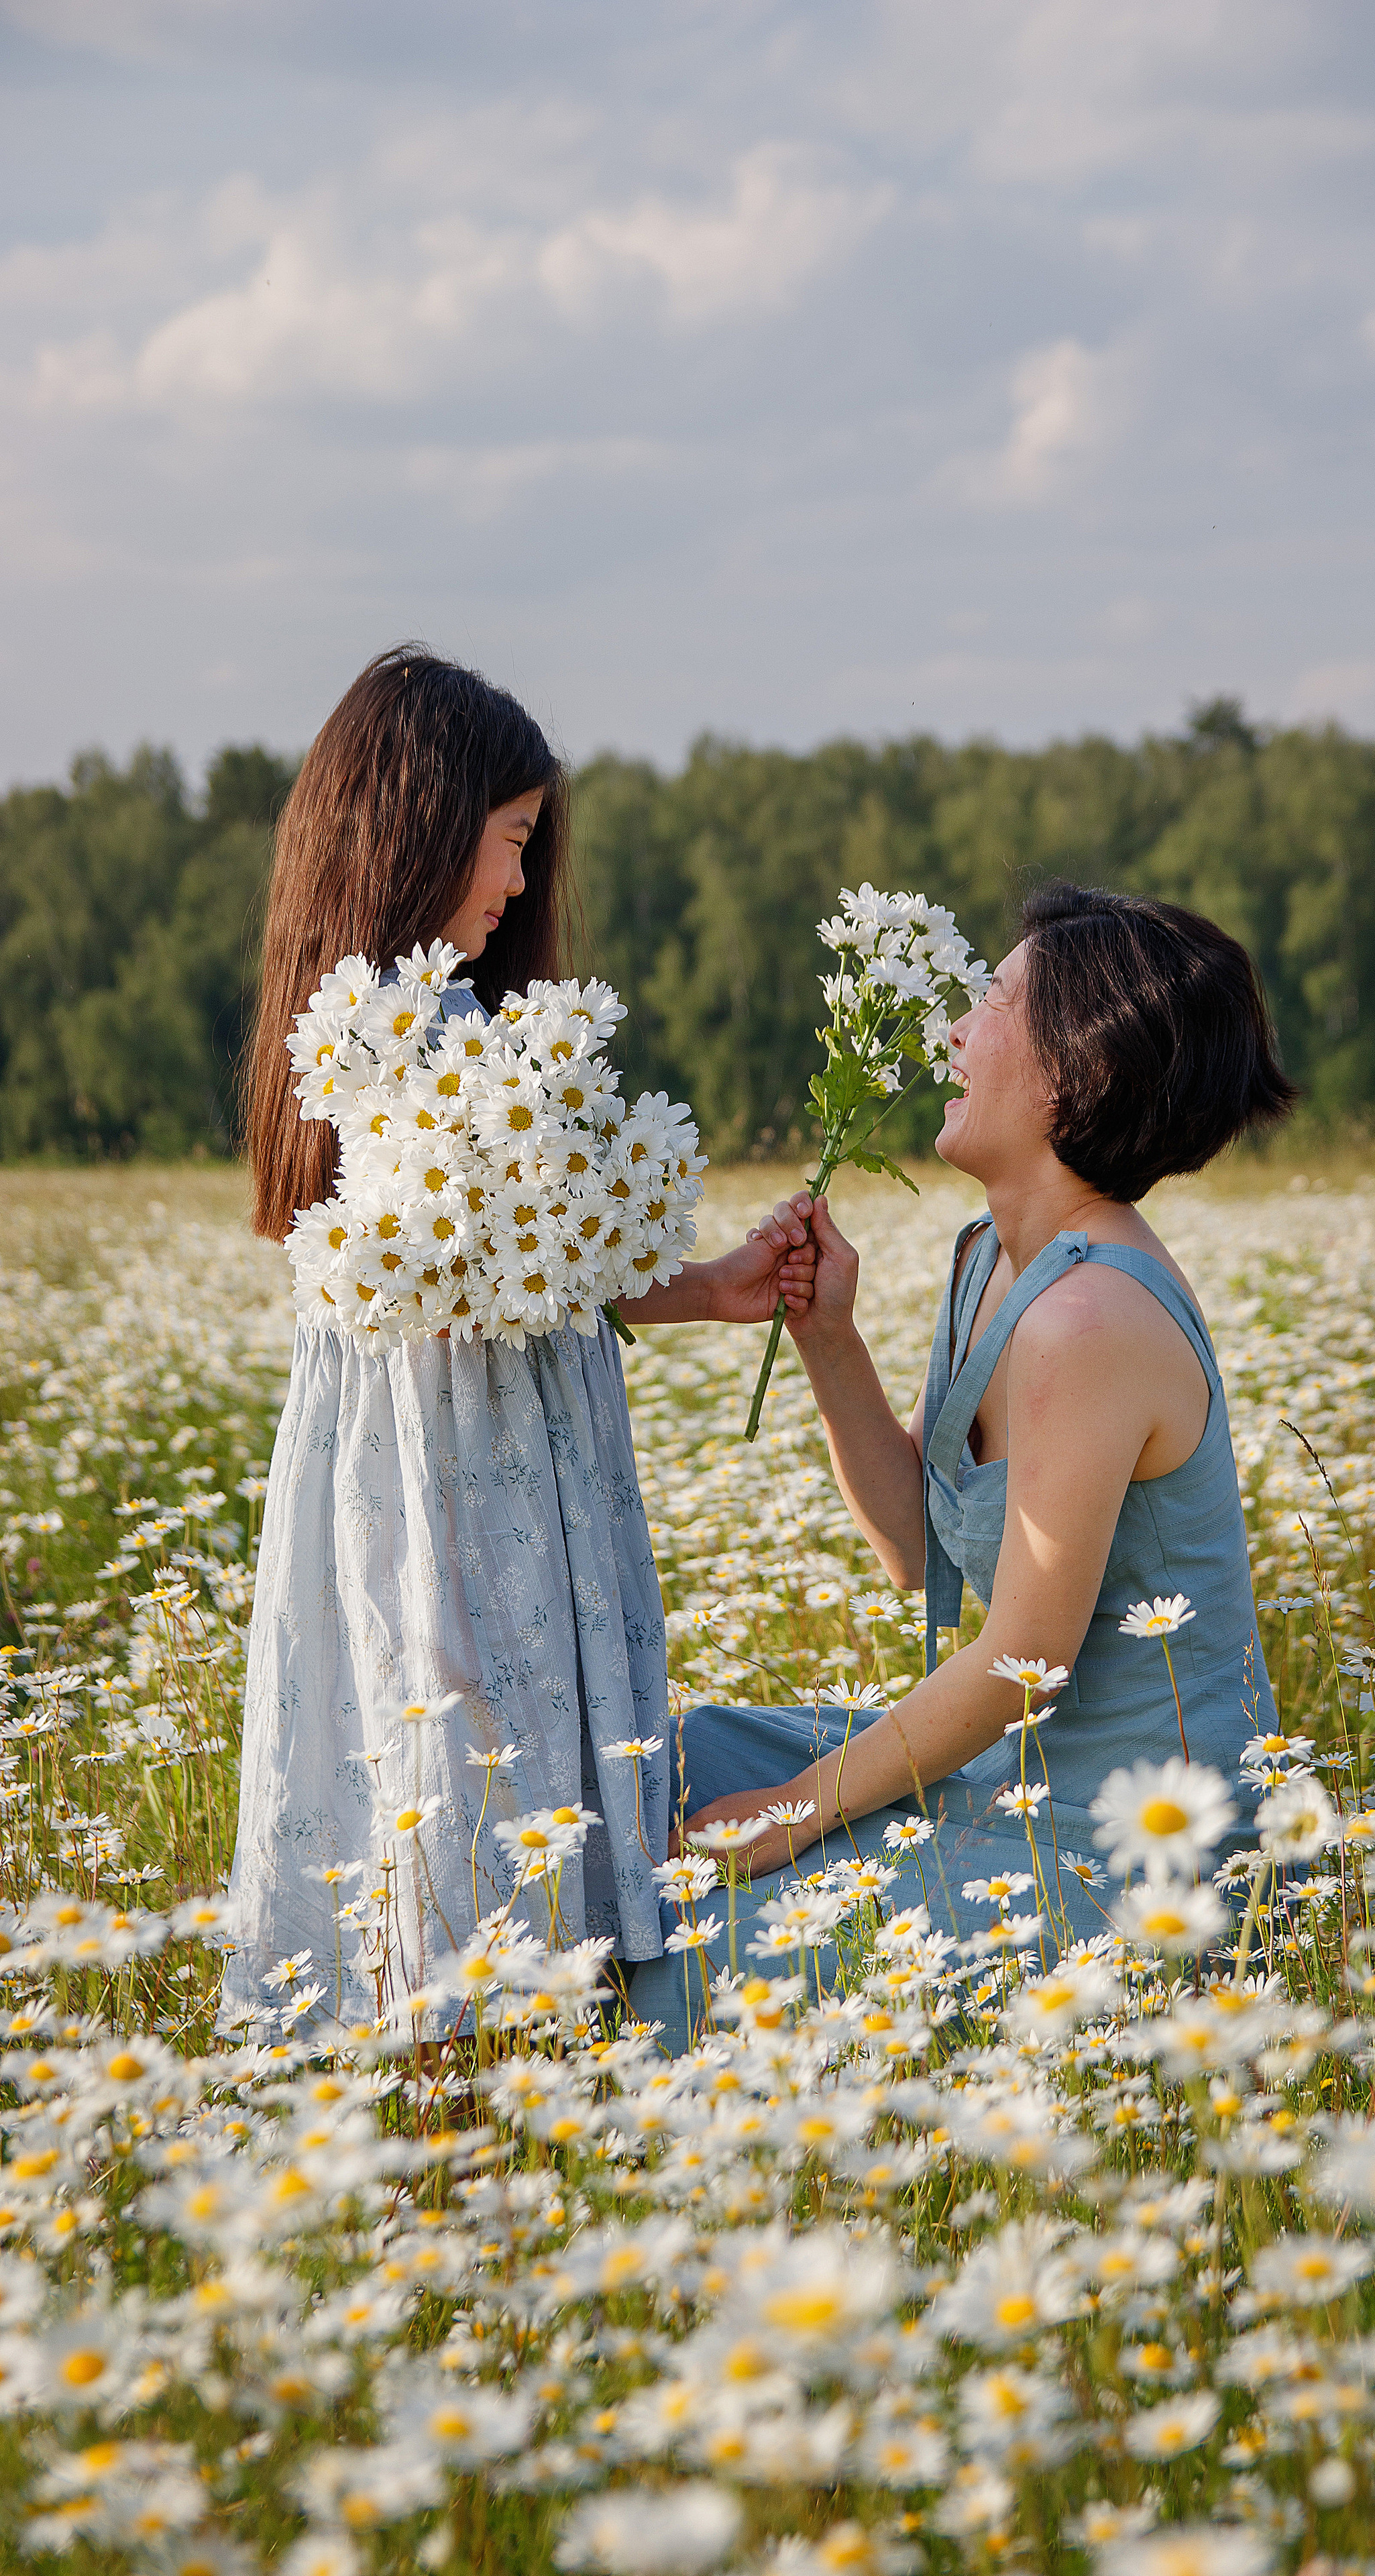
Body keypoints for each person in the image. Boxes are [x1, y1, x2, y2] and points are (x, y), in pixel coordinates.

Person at [223, 647, 805, 2036]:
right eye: (512, 838)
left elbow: (539, 1269)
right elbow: (494, 1274)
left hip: (472, 1450)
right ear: (415, 832)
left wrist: (713, 1286)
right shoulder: (399, 1050)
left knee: (447, 1726)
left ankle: (474, 2023)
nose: (521, 880)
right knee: (462, 1713)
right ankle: (477, 2028)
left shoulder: (424, 1033)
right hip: (453, 1465)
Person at [622, 883, 1294, 2045]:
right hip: (1015, 1775)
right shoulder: (990, 1255)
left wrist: (792, 1814)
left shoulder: (1090, 1320)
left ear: (1073, 1073)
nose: (951, 1032)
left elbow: (1022, 1661)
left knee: (682, 1963)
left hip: (1134, 1842)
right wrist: (829, 1337)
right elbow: (913, 1550)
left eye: (992, 1003)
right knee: (678, 1765)